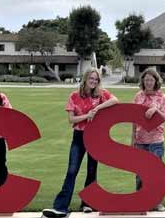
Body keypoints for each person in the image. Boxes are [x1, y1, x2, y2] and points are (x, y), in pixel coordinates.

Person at [42, 69, 119, 217]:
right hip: (79, 136)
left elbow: (115, 100)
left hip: (95, 137)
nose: (94, 81)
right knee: (72, 170)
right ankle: (61, 207)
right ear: (85, 79)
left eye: (96, 79)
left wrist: (97, 108)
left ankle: (87, 204)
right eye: (91, 78)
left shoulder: (101, 94)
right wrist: (87, 116)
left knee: (91, 170)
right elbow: (71, 119)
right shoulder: (74, 96)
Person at [131, 68, 165, 211]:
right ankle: (140, 199)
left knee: (156, 173)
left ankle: (157, 201)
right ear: (143, 81)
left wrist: (155, 109)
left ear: (156, 81)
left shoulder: (162, 97)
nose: (148, 82)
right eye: (146, 80)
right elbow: (133, 120)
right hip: (140, 140)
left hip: (156, 140)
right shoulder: (138, 96)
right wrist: (132, 139)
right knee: (140, 173)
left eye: (151, 80)